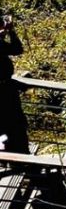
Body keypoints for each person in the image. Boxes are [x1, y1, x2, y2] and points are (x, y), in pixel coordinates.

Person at [0, 16, 29, 154]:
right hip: (4, 90)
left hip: (5, 87)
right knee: (15, 123)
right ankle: (21, 156)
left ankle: (10, 154)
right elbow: (17, 49)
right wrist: (11, 31)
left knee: (5, 125)